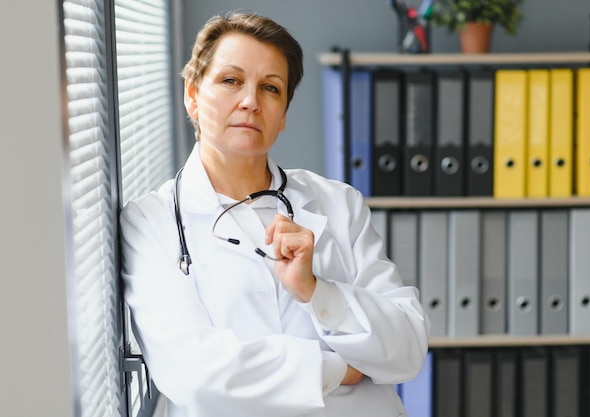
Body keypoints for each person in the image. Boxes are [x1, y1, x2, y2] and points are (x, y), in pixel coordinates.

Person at [120, 10, 430, 417]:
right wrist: (341, 368)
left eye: (271, 88)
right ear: (192, 96)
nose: (250, 101)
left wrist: (317, 291)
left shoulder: (338, 203)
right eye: (231, 80)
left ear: (282, 116)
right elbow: (196, 374)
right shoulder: (151, 221)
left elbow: (407, 349)